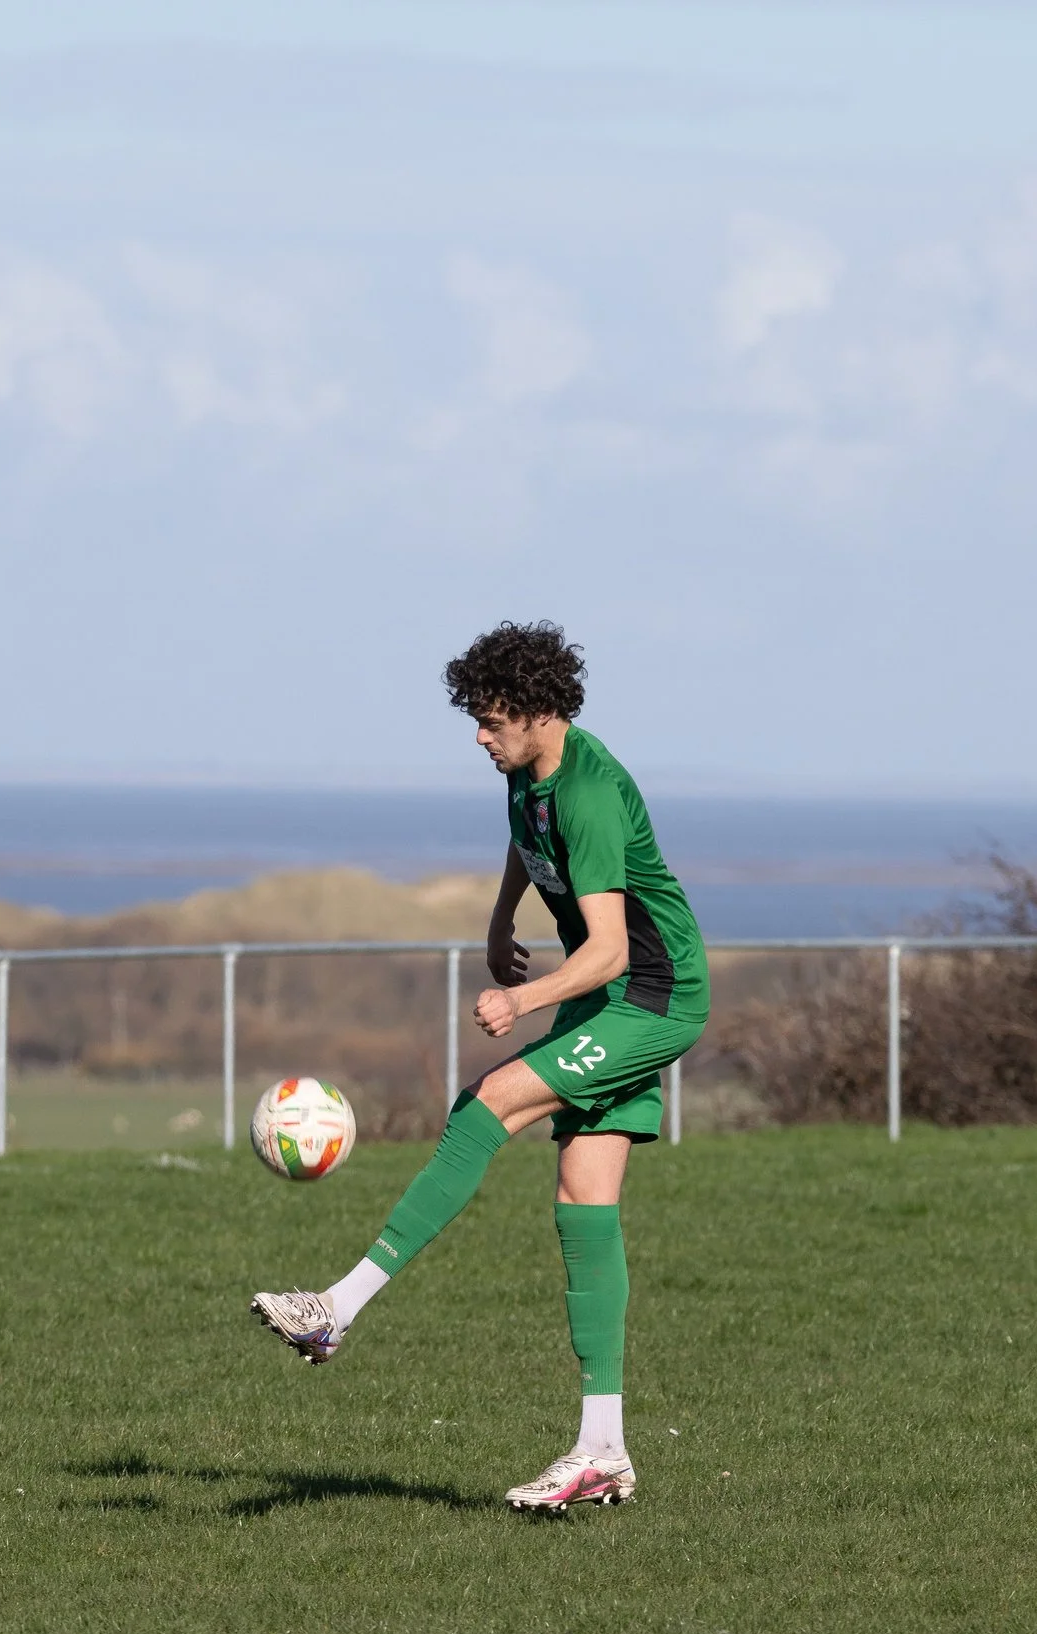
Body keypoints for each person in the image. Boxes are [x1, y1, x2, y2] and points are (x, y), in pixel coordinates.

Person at [250, 621, 709, 1513]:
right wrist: (504, 918)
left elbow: (612, 950)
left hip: (649, 995)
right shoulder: (525, 775)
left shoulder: (590, 794)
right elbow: (528, 847)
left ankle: (337, 1308)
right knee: (584, 1204)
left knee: (484, 1104)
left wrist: (520, 1002)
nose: (478, 733)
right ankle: (603, 1451)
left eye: (492, 718)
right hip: (603, 998)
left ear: (540, 712)